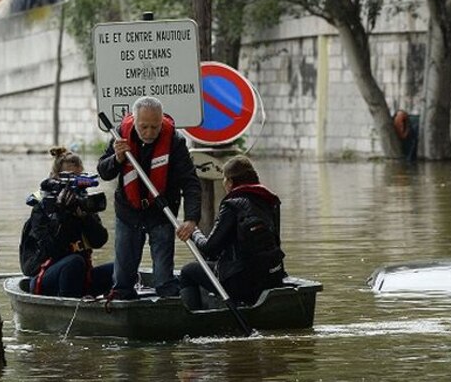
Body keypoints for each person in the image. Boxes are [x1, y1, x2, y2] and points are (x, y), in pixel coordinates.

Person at [98, 96, 201, 299]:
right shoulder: (120, 135)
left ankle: (169, 309)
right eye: (144, 127)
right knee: (122, 279)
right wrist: (116, 159)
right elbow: (104, 171)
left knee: (164, 279)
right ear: (134, 121)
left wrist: (191, 219)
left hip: (162, 212)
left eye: (155, 127)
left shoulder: (175, 141)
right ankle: (123, 305)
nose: (149, 133)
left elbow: (190, 183)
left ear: (161, 121)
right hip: (128, 212)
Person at [177, 155, 286, 310]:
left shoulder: (232, 205)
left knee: (188, 271)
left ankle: (194, 321)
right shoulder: (271, 202)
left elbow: (210, 249)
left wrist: (194, 232)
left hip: (241, 282)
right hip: (271, 276)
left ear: (229, 182)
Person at [20, 147, 113, 298]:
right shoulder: (42, 206)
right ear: (55, 178)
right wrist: (61, 215)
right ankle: (68, 308)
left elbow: (99, 241)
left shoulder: (83, 203)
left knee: (123, 269)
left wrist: (85, 217)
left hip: (81, 275)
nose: (74, 189)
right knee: (74, 262)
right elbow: (50, 250)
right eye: (69, 182)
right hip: (45, 277)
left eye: (78, 181)